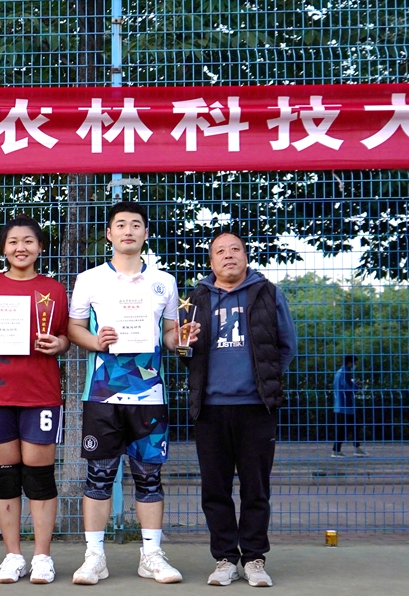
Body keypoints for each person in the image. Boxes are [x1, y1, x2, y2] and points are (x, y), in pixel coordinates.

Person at [68, 200, 196, 585]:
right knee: (98, 476)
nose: (128, 230)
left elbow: (171, 334)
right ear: (109, 234)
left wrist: (182, 340)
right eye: (121, 224)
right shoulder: (90, 279)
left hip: (150, 396)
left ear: (145, 233)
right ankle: (94, 557)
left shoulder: (164, 282)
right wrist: (95, 341)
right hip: (102, 395)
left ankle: (151, 555)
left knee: (149, 478)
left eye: (136, 224)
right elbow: (74, 328)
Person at [181, 231, 297, 588]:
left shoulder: (267, 293)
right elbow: (184, 351)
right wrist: (184, 344)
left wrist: (264, 379)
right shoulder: (195, 298)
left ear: (246, 257)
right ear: (211, 261)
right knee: (214, 489)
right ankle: (225, 559)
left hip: (256, 406)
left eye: (235, 249)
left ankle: (255, 558)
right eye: (220, 251)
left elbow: (286, 346)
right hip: (210, 408)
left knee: (255, 488)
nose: (228, 255)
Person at [0, 215, 70, 584]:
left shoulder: (53, 289)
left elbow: (65, 335)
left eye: (28, 241)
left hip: (40, 393)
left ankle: (42, 556)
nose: (20, 247)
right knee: (5, 475)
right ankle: (13, 556)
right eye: (13, 241)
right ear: (4, 248)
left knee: (39, 475)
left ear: (40, 247)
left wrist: (58, 344)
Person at [332, 355, 367, 458]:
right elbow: (348, 388)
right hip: (345, 404)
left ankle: (357, 448)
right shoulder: (346, 373)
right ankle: (336, 450)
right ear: (349, 363)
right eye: (354, 363)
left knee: (353, 425)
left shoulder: (339, 372)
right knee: (346, 427)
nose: (355, 365)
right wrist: (357, 387)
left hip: (340, 404)